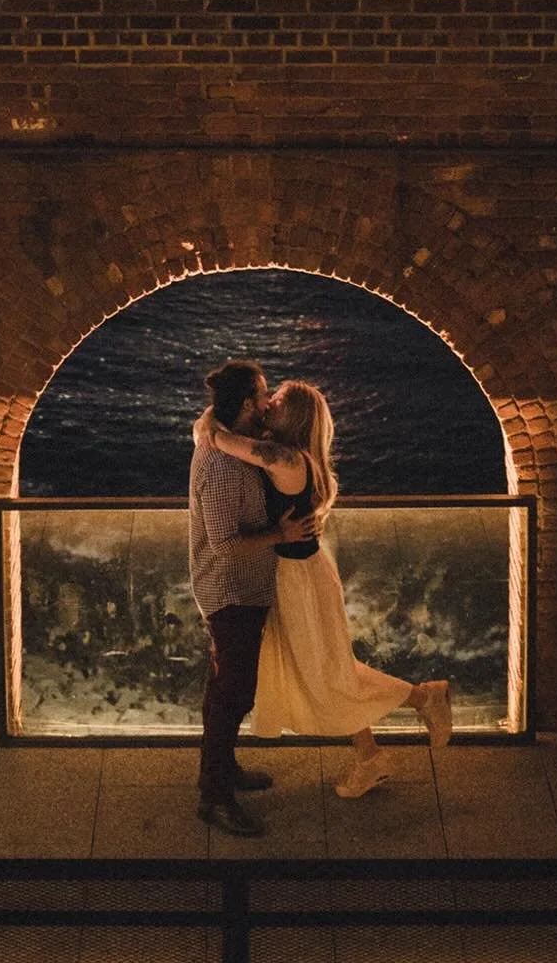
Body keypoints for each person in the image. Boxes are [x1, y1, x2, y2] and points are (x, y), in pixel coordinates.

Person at [198, 377, 452, 798]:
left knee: (327, 675)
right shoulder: (296, 457)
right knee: (330, 670)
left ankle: (424, 698)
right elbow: (216, 433)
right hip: (302, 575)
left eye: (275, 402)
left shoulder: (286, 460)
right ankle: (371, 756)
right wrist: (213, 419)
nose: (267, 407)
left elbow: (222, 442)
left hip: (299, 583)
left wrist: (213, 422)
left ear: (292, 415)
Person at [188, 358, 317, 837]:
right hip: (230, 590)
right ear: (247, 405)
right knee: (232, 694)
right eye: (263, 395)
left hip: (243, 587)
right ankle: (213, 797)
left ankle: (223, 771)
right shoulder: (221, 466)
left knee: (224, 689)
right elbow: (224, 545)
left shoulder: (233, 444)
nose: (268, 403)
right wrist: (279, 533)